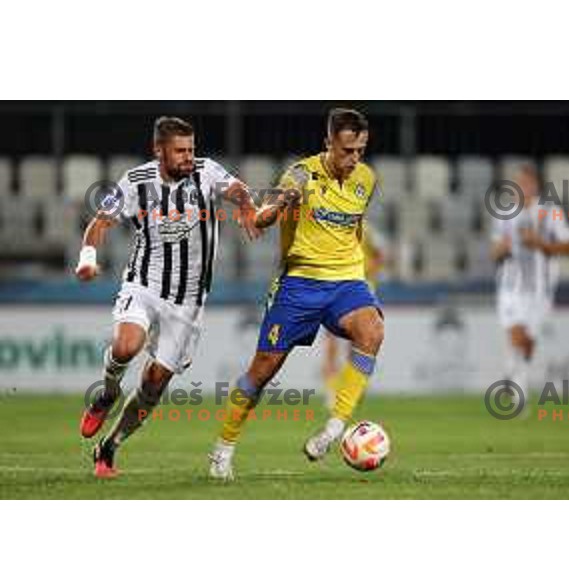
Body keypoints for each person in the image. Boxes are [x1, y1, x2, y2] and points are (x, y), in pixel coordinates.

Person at [76, 116, 258, 478]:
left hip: (188, 301)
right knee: (126, 347)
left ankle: (110, 446)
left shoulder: (206, 172)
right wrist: (88, 259)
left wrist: (248, 205)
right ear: (158, 151)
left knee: (154, 382)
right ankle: (107, 394)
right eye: (180, 151)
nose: (188, 157)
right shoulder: (135, 182)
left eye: (191, 149)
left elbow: (237, 188)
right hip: (144, 285)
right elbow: (99, 222)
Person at [208, 108, 384, 480]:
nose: (354, 159)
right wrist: (274, 210)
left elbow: (354, 228)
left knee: (373, 331)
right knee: (262, 371)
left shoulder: (366, 180)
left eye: (361, 151)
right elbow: (272, 210)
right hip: (299, 283)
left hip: (346, 282)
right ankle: (222, 449)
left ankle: (334, 429)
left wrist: (360, 277)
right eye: (347, 150)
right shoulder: (300, 174)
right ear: (328, 144)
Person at [490, 164, 569, 406]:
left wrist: (540, 243)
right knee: (516, 333)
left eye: (526, 184)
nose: (522, 189)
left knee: (527, 341)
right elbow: (494, 252)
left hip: (540, 288)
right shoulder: (504, 213)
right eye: (518, 184)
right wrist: (501, 249)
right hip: (509, 286)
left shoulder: (551, 213)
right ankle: (520, 392)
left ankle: (511, 374)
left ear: (535, 186)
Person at [322, 223, 386, 407]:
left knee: (358, 343)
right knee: (331, 342)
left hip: (360, 290)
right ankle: (331, 391)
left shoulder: (368, 230)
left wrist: (366, 274)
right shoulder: (331, 226)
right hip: (335, 288)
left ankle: (352, 391)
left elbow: (380, 257)